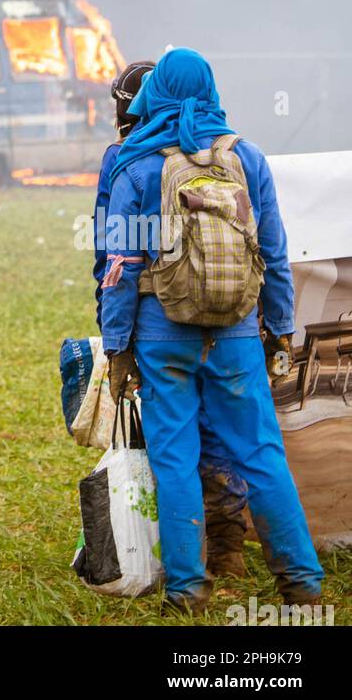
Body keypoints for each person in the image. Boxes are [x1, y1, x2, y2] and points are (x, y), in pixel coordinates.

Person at [100, 47, 323, 612]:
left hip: (161, 334)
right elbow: (273, 253)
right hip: (237, 333)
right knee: (261, 453)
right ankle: (300, 581)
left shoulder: (135, 164)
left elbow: (119, 268)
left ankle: (187, 589)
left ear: (155, 93)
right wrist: (279, 327)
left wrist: (117, 345)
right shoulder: (245, 156)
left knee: (175, 458)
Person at [93, 60, 250, 578]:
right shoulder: (226, 152)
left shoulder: (126, 159)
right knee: (225, 432)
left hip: (158, 322)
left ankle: (185, 568)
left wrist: (115, 338)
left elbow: (111, 255)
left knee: (172, 440)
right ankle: (230, 547)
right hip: (231, 319)